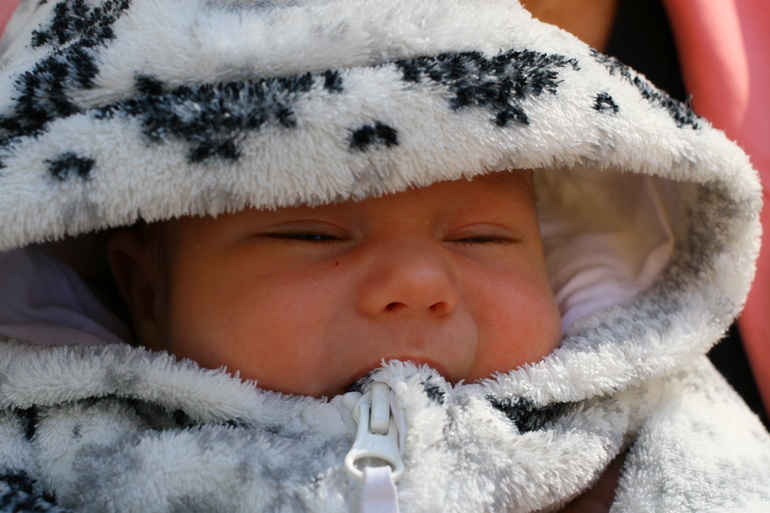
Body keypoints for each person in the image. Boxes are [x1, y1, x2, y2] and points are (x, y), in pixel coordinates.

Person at [0, 1, 769, 512]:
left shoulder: (636, 425)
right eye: (314, 235)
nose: (419, 280)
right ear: (144, 289)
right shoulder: (61, 446)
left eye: (481, 238)